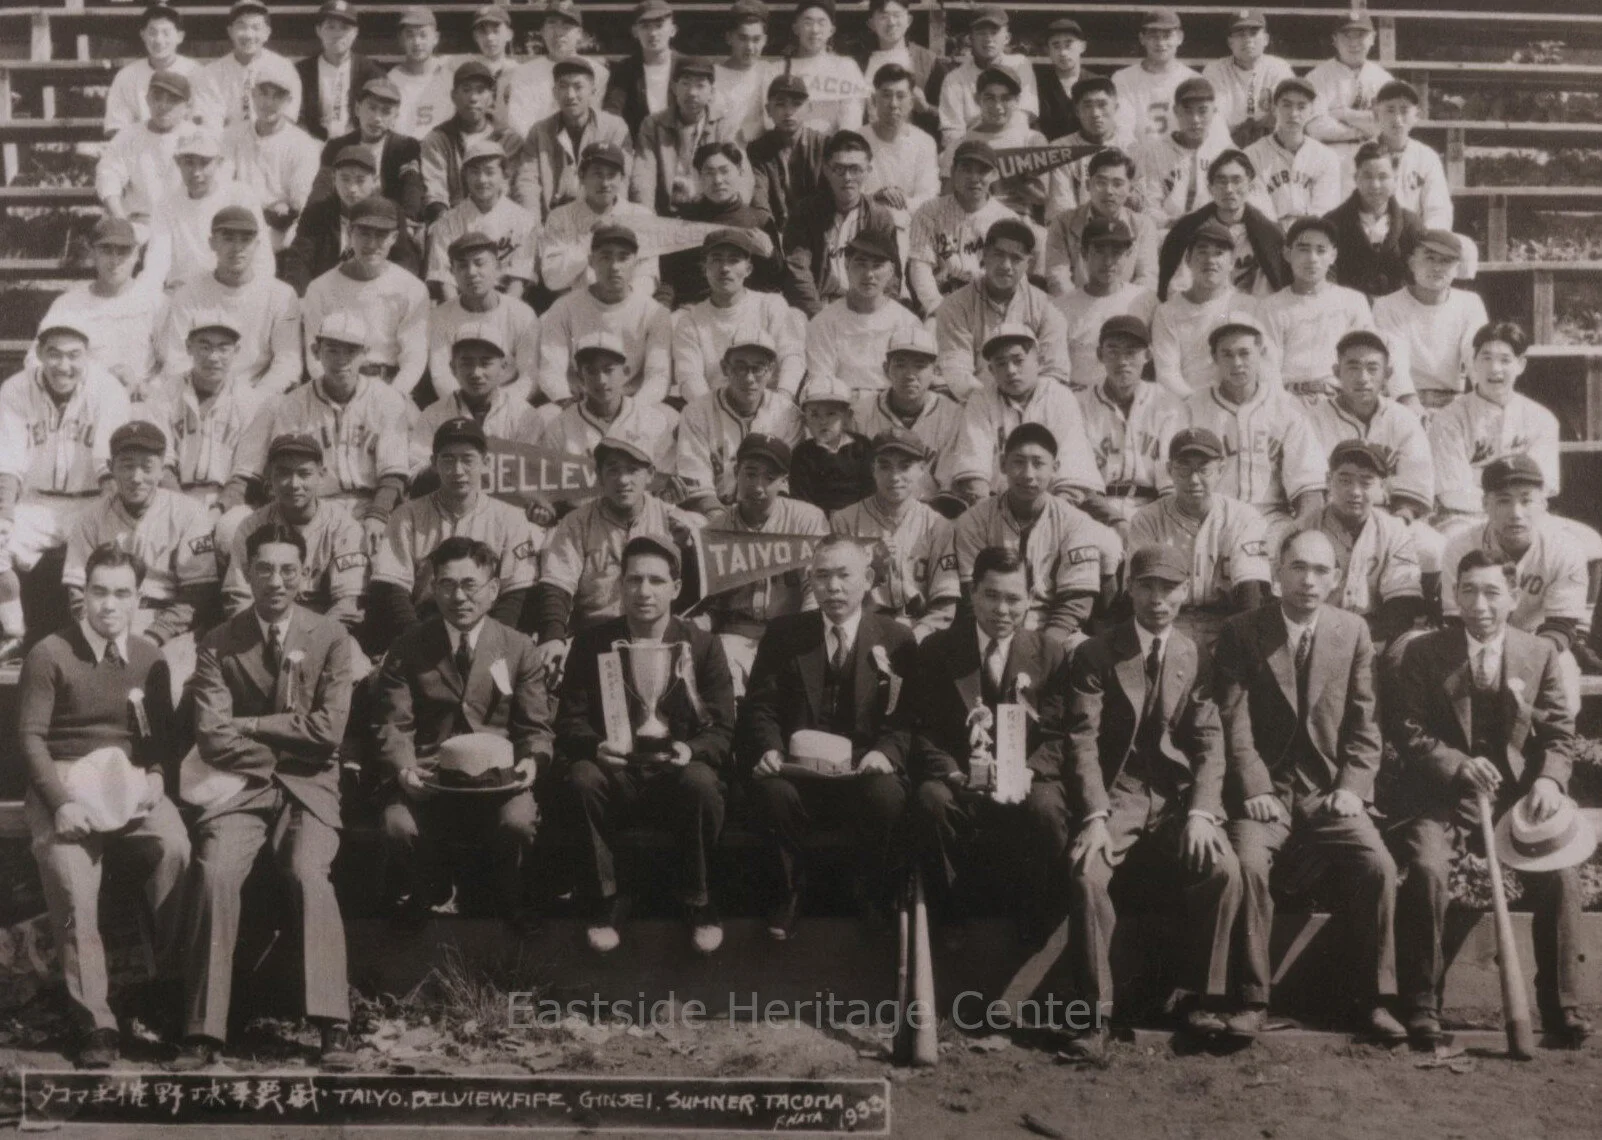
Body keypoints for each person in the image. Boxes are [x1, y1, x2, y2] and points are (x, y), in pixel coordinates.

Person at [171, 524, 357, 1071]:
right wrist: (276, 748)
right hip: (241, 786)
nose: (276, 582)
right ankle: (203, 1030)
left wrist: (252, 723)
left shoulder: (331, 637)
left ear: (306, 575)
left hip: (311, 789)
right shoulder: (219, 641)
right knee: (214, 871)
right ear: (246, 574)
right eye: (264, 570)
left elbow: (328, 732)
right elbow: (212, 736)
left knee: (307, 872)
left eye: (288, 570)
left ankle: (332, 1024)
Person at [1389, 549, 1591, 1048]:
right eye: (1469, 591)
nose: (1480, 605)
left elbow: (1559, 735)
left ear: (1514, 597)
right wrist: (1456, 763)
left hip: (1514, 802)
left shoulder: (1540, 653)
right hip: (1440, 797)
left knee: (1563, 878)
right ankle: (1421, 1006)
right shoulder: (1423, 652)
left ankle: (1561, 1008)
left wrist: (1548, 781)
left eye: (1492, 593)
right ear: (1454, 595)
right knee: (1429, 870)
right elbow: (1406, 730)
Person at [1216, 528, 1405, 1042]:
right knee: (1249, 865)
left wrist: (1354, 785)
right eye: (1298, 567)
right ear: (1277, 572)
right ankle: (1252, 1000)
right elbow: (1232, 723)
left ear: (1338, 578)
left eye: (1322, 570)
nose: (1309, 580)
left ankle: (1376, 1000)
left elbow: (1366, 724)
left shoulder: (1353, 631)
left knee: (1378, 864)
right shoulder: (1241, 631)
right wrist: (1253, 786)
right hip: (1264, 793)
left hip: (1327, 793)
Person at [1059, 543, 1241, 1055]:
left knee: (1223, 869)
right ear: (1128, 590)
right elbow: (1081, 740)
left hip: (1176, 796)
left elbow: (1208, 741)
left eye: (1170, 587)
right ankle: (1093, 1016)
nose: (1158, 599)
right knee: (1087, 872)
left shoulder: (1194, 654)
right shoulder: (1096, 652)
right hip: (1119, 793)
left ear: (1186, 593)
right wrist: (1094, 815)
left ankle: (1204, 1001)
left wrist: (1203, 811)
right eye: (1147, 586)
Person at [16, 544, 190, 1068]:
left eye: (120, 594)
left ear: (138, 600)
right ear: (81, 595)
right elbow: (29, 740)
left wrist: (158, 776)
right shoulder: (50, 653)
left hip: (128, 787)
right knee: (72, 882)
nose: (108, 605)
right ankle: (95, 1021)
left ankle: (163, 994)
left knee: (176, 848)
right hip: (64, 787)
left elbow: (160, 738)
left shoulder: (148, 657)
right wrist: (61, 803)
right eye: (98, 592)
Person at [554, 534, 736, 954]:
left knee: (702, 783)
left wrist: (692, 750)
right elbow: (570, 721)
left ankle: (698, 901)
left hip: (677, 775)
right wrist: (596, 746)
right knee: (581, 778)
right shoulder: (591, 643)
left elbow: (722, 727)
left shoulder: (704, 646)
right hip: (617, 774)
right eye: (634, 580)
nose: (644, 591)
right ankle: (605, 901)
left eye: (656, 581)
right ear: (620, 587)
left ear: (676, 588)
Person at [738, 535, 918, 940]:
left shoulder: (897, 638)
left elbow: (906, 717)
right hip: (799, 769)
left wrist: (885, 753)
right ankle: (789, 894)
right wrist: (769, 748)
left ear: (868, 578)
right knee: (771, 793)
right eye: (822, 576)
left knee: (888, 796)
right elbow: (761, 706)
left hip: (862, 770)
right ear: (810, 580)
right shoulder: (785, 633)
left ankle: (871, 894)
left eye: (843, 575)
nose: (833, 587)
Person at [372, 535, 550, 931]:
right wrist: (404, 769)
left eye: (470, 584)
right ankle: (422, 897)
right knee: (399, 826)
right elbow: (393, 723)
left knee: (519, 821)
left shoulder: (518, 648)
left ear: (493, 589)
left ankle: (507, 900)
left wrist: (531, 761)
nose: (459, 597)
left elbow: (535, 725)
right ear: (433, 588)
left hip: (497, 780)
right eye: (447, 585)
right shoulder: (408, 646)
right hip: (430, 777)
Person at [906, 545, 1071, 939]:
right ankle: (950, 918)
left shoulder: (1050, 653)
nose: (1002, 609)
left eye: (1014, 598)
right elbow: (923, 730)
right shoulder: (937, 650)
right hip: (961, 774)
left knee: (1047, 809)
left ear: (1030, 599)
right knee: (931, 801)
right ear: (972, 594)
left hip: (1027, 775)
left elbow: (1059, 734)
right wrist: (954, 772)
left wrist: (1029, 772)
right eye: (991, 595)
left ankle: (1036, 918)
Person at [0, 320, 132, 659]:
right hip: (33, 502)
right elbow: (7, 462)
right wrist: (4, 517)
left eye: (74, 355)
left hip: (89, 500)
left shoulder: (107, 389)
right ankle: (12, 627)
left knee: (113, 555)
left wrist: (110, 517)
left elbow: (109, 462)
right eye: (54, 354)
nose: (63, 365)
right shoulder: (16, 389)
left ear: (87, 356)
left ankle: (99, 647)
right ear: (39, 353)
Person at [223, 310, 410, 542]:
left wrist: (379, 515)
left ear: (365, 354)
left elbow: (394, 473)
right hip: (315, 506)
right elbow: (284, 469)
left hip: (370, 503)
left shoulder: (387, 399)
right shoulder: (294, 402)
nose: (341, 360)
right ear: (316, 352)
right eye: (332, 350)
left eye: (351, 351)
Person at [531, 438, 700, 679]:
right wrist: (553, 637)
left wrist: (688, 551)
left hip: (657, 637)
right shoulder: (577, 522)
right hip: (594, 634)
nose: (622, 480)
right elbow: (557, 584)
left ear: (650, 474)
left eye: (632, 470)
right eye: (613, 470)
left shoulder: (674, 521)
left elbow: (694, 593)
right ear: (599, 476)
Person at [1440, 457, 1589, 715]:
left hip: (1541, 643)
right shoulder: (1460, 547)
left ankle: (1554, 749)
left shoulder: (1565, 549)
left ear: (1543, 503)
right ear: (1485, 504)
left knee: (1564, 681)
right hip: (1475, 642)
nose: (1516, 513)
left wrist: (1521, 661)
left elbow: (1561, 627)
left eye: (1526, 500)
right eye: (1503, 500)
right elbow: (1456, 621)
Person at [369, 417, 541, 635]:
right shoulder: (407, 515)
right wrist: (416, 641)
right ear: (434, 462)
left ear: (486, 462)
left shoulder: (510, 518)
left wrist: (491, 642)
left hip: (490, 624)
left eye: (467, 459)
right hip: (425, 625)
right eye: (448, 460)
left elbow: (517, 591)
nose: (458, 470)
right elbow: (392, 587)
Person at [61, 421, 218, 649]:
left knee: (169, 681)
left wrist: (154, 636)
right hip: (106, 619)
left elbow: (198, 594)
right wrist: (98, 634)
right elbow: (77, 591)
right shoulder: (90, 519)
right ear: (110, 467)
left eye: (147, 467)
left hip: (168, 622)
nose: (136, 477)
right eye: (126, 466)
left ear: (163, 468)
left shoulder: (189, 512)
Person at [953, 424, 1112, 648]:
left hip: (1052, 631)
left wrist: (1040, 653)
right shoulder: (974, 521)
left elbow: (1075, 603)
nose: (1028, 474)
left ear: (1055, 467)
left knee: (1083, 650)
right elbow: (970, 596)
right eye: (1018, 462)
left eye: (1038, 463)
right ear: (1002, 464)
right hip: (989, 626)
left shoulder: (1076, 522)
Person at [1180, 318, 1325, 549]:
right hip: (1210, 516)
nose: (1237, 363)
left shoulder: (1287, 408)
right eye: (1227, 354)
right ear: (1214, 358)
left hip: (1272, 518)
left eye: (1244, 353)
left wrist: (1297, 533)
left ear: (1261, 352)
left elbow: (1310, 488)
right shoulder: (1192, 408)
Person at [700, 435, 828, 691]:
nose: (757, 486)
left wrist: (799, 638)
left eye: (770, 478)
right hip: (736, 632)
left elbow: (814, 590)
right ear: (736, 472)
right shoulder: (716, 529)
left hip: (789, 629)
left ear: (784, 482)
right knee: (726, 680)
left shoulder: (807, 520)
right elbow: (711, 604)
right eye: (750, 473)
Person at [1128, 427, 1271, 653]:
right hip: (1167, 624)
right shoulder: (1147, 519)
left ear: (1220, 470)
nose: (1193, 480)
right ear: (1169, 470)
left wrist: (1244, 650)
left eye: (1203, 470)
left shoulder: (1244, 517)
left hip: (1226, 624)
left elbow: (1250, 594)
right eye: (1183, 469)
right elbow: (1139, 592)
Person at [220, 433, 367, 629]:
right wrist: (269, 640)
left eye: (304, 474)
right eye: (283, 473)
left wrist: (308, 644)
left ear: (321, 475)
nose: (294, 484)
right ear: (270, 476)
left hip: (324, 632)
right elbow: (239, 599)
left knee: (359, 661)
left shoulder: (343, 526)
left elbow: (347, 605)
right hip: (263, 631)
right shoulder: (251, 526)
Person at [947, 324, 1105, 504]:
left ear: (1038, 361)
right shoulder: (981, 400)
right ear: (991, 371)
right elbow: (973, 465)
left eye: (1018, 360)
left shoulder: (1059, 396)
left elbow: (1073, 464)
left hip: (1054, 502)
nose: (1010, 370)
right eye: (1001, 363)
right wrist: (991, 516)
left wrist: (1051, 515)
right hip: (997, 503)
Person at [155, 206, 301, 395]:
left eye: (245, 239)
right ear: (212, 243)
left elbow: (288, 362)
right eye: (228, 238)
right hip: (201, 395)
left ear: (257, 244)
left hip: (257, 397)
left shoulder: (281, 294)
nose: (237, 248)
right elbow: (176, 360)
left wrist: (253, 400)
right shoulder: (188, 293)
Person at [831, 428, 959, 638]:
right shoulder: (844, 520)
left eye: (905, 466)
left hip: (922, 630)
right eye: (885, 466)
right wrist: (872, 570)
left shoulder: (938, 525)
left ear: (921, 469)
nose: (895, 477)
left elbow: (945, 605)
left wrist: (916, 637)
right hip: (862, 629)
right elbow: (837, 596)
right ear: (872, 469)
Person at [299, 197, 430, 399]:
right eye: (364, 233)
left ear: (394, 237)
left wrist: (393, 397)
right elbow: (315, 359)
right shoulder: (320, 288)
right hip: (335, 390)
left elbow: (414, 356)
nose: (371, 244)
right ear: (350, 233)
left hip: (390, 388)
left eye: (381, 235)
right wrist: (340, 395)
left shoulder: (412, 288)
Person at [1431, 322, 1560, 523]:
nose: (1494, 368)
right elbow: (1452, 492)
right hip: (1464, 518)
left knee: (1588, 544)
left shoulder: (1541, 418)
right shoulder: (1449, 419)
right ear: (1473, 362)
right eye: (1486, 358)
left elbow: (1544, 484)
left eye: (1505, 360)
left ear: (1521, 365)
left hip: (1527, 519)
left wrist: (1477, 477)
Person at [537, 226, 672, 408]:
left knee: (666, 420)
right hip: (576, 401)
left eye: (623, 257)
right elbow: (551, 370)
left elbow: (658, 377)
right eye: (605, 257)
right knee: (545, 416)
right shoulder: (564, 307)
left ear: (636, 262)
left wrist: (631, 412)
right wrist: (567, 402)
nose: (615, 267)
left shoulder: (654, 312)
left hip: (632, 403)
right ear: (591, 261)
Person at [1305, 331, 1433, 521]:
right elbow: (1312, 490)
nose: (1363, 378)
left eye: (1372, 368)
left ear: (1387, 374)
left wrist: (1396, 525)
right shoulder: (1314, 420)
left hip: (1393, 517)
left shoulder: (1404, 419)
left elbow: (1415, 487)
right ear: (1336, 372)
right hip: (1334, 517)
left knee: (1433, 549)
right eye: (1353, 367)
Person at [935, 220, 1069, 400]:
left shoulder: (1046, 307)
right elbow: (957, 373)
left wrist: (1026, 404)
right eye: (998, 254)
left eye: (1016, 258)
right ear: (984, 255)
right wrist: (996, 405)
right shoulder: (955, 305)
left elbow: (1054, 371)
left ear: (1028, 263)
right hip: (976, 404)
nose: (1006, 265)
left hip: (1035, 405)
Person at [36, 217, 163, 403]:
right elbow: (37, 360)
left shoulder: (156, 302)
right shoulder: (68, 304)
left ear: (137, 254)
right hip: (85, 402)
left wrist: (148, 386)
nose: (115, 260)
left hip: (143, 403)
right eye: (106, 250)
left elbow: (175, 362)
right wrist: (93, 380)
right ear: (93, 253)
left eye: (123, 251)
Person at [151, 311, 268, 509]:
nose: (213, 357)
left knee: (231, 531)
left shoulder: (251, 401)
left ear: (236, 350)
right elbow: (162, 465)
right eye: (204, 347)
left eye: (223, 348)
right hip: (172, 499)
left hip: (229, 503)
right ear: (189, 347)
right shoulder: (165, 395)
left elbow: (245, 475)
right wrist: (182, 511)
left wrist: (218, 511)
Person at [1255, 216, 1382, 399]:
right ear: (1287, 254)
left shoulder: (1352, 301)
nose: (1312, 259)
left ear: (1333, 256)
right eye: (1303, 249)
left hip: (1341, 399)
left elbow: (1364, 356)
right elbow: (1268, 369)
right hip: (1289, 399)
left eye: (1321, 250)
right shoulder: (1271, 307)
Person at [674, 334, 804, 513]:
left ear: (771, 370)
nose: (749, 378)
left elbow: (784, 483)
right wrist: (722, 522)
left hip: (769, 513)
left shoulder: (788, 414)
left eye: (758, 368)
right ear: (725, 368)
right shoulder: (697, 411)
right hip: (712, 513)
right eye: (740, 367)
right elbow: (696, 483)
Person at [1315, 440, 1427, 646]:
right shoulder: (1302, 530)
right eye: (1345, 480)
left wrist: (1361, 644)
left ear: (1382, 487)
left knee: (1414, 643)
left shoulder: (1394, 530)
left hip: (1374, 636)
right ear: (1328, 480)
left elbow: (1402, 606)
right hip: (1316, 635)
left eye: (1366, 482)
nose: (1355, 491)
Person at [1075, 315, 1180, 534]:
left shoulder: (1167, 404)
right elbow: (1079, 481)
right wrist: (1116, 522)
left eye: (1131, 351)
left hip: (1153, 511)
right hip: (1095, 512)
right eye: (1113, 351)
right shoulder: (1080, 404)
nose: (1122, 361)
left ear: (1148, 355)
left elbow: (1170, 484)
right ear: (1099, 354)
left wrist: (1152, 525)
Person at [671, 229, 800, 403]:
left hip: (772, 405)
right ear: (704, 269)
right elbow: (690, 378)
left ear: (748, 269)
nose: (724, 269)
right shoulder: (690, 321)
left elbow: (792, 357)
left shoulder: (771, 305)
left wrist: (782, 400)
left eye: (734, 260)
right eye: (716, 260)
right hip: (714, 409)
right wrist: (715, 415)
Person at [781, 130, 900, 319]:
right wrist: (819, 317)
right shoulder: (805, 214)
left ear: (868, 171)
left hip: (866, 309)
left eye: (855, 169)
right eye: (839, 169)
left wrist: (877, 313)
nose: (847, 177)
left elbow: (891, 278)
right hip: (819, 307)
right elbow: (797, 270)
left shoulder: (880, 217)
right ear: (826, 170)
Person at [143, 126, 275, 292]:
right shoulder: (165, 205)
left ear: (219, 162)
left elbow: (262, 258)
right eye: (189, 163)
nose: (197, 173)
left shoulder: (240, 195)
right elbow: (156, 262)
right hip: (184, 293)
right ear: (178, 163)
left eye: (205, 163)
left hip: (234, 289)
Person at [537, 332, 678, 480]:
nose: (601, 380)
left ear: (625, 372)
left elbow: (663, 479)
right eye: (591, 371)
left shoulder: (653, 421)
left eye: (608, 370)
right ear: (580, 377)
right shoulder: (560, 426)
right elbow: (550, 484)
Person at [1372, 231, 1488, 410]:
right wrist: (1409, 403)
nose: (1437, 268)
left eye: (1446, 261)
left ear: (1457, 268)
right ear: (1412, 263)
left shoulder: (1470, 304)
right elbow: (1395, 360)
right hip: (1400, 401)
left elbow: (1474, 352)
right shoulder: (1387, 306)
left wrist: (1485, 396)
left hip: (1453, 400)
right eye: (1430, 258)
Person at [805, 230, 924, 402]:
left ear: (891, 271)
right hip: (842, 409)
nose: (869, 274)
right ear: (846, 265)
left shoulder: (908, 323)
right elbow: (821, 383)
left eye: (877, 266)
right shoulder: (824, 322)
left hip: (893, 411)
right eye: (861, 264)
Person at [282, 149, 424, 291]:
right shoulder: (318, 211)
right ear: (334, 179)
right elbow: (299, 259)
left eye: (360, 180)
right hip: (327, 292)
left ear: (374, 181)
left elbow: (405, 261)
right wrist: (301, 297)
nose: (352, 188)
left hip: (375, 291)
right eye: (345, 179)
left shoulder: (390, 211)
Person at [661, 143, 783, 307]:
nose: (718, 180)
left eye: (725, 171)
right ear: (698, 176)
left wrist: (770, 255)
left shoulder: (759, 220)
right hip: (693, 310)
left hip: (744, 311)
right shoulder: (683, 221)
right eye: (709, 173)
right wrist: (662, 311)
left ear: (740, 172)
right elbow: (668, 279)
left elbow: (777, 279)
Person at [906, 140, 1018, 318]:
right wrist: (937, 307)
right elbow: (920, 267)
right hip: (942, 300)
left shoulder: (1008, 219)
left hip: (991, 305)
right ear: (952, 172)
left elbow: (1010, 277)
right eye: (966, 169)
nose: (974, 178)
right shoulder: (929, 211)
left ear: (995, 175)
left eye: (982, 171)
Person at [1156, 152, 1286, 303]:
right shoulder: (1188, 229)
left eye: (1237, 180)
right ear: (1210, 188)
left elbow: (1271, 291)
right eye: (1221, 181)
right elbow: (1177, 286)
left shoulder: (1269, 234)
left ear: (1250, 186)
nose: (1229, 189)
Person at [427, 232, 541, 403]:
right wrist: (466, 407)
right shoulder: (440, 316)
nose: (472, 272)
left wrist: (498, 406)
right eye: (462, 266)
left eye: (479, 263)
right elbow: (441, 375)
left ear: (497, 266)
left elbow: (530, 377)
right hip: (458, 403)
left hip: (511, 402)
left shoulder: (522, 313)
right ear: (453, 272)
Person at [514, 59, 634, 222]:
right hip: (553, 218)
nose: (570, 95)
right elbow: (527, 183)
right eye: (563, 87)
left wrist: (609, 223)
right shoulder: (539, 131)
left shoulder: (614, 128)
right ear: (554, 92)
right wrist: (533, 225)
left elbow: (621, 182)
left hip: (600, 217)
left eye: (578, 87)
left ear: (593, 90)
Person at [851, 327, 962, 499]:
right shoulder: (861, 413)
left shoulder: (953, 414)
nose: (910, 375)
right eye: (900, 365)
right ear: (886, 369)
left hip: (933, 511)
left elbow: (949, 486)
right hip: (875, 511)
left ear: (936, 371)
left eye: (920, 365)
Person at [536, 143, 660, 299]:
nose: (605, 183)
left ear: (622, 178)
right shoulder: (560, 217)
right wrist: (589, 240)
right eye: (597, 174)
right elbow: (552, 279)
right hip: (578, 308)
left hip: (629, 307)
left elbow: (648, 277)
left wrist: (620, 302)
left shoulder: (641, 216)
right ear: (581, 176)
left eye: (612, 175)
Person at [414, 321, 543, 471]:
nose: (476, 373)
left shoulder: (523, 416)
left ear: (503, 367)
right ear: (453, 368)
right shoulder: (433, 415)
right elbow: (416, 468)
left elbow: (531, 473)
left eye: (485, 362)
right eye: (467, 363)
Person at [223, 57, 319, 257]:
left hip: (279, 231)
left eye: (277, 96)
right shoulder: (231, 135)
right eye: (263, 94)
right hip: (237, 224)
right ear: (252, 95)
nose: (268, 103)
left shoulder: (303, 144)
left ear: (289, 101)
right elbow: (222, 186)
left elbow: (300, 201)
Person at [424, 139, 537, 304]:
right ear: (465, 177)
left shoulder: (523, 219)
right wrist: (461, 313)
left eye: (490, 172)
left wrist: (501, 315)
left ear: (504, 175)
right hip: (460, 301)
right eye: (475, 172)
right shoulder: (448, 221)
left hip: (507, 301)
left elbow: (518, 280)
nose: (482, 180)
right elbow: (443, 278)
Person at [1151, 219, 1256, 396]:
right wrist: (1201, 407)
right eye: (1202, 252)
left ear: (1231, 262)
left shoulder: (1248, 306)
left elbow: (1261, 366)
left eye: (1219, 253)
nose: (1210, 260)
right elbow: (1167, 375)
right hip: (1186, 406)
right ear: (1188, 260)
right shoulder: (1167, 312)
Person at [1056, 218, 1160, 390]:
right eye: (1099, 252)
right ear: (1083, 253)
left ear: (1128, 254)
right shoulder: (1061, 308)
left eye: (1116, 252)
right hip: (1081, 400)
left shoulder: (1145, 300)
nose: (1108, 261)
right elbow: (1057, 373)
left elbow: (1155, 361)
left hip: (1133, 399)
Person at [420, 60, 526, 224]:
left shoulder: (508, 139)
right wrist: (446, 224)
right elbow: (435, 190)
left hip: (500, 221)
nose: (473, 98)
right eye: (466, 90)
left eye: (481, 90)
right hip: (452, 221)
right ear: (453, 96)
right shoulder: (438, 139)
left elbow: (509, 188)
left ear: (491, 96)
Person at [632, 59, 740, 218]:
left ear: (712, 92)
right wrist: (646, 215)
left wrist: (730, 214)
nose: (692, 92)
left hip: (711, 213)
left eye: (700, 86)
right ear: (674, 88)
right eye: (685, 84)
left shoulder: (724, 125)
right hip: (664, 213)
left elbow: (737, 173)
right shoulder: (653, 125)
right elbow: (643, 175)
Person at [310, 77, 426, 223]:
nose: (377, 118)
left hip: (389, 220)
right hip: (345, 219)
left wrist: (407, 219)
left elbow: (412, 187)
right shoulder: (336, 147)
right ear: (358, 109)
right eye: (372, 108)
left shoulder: (405, 147)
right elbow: (322, 186)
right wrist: (312, 216)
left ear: (395, 116)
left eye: (386, 111)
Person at [95, 71, 194, 242]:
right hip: (140, 224)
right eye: (157, 97)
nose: (163, 105)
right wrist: (121, 221)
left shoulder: (196, 137)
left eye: (173, 100)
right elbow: (108, 175)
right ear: (147, 100)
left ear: (187, 106)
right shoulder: (128, 136)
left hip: (186, 225)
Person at [1045, 150, 1160, 296]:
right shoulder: (1062, 223)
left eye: (1117, 184)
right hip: (1075, 308)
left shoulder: (1143, 226)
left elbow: (1147, 278)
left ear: (1130, 189)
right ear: (1087, 185)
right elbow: (1057, 277)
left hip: (1125, 309)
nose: (1109, 191)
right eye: (1101, 183)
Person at [946, 65, 1049, 220]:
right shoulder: (961, 144)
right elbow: (947, 195)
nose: (997, 106)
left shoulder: (1032, 140)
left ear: (1017, 100)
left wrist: (1015, 177)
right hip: (969, 220)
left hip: (1016, 220)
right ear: (977, 99)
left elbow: (1041, 197)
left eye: (1006, 98)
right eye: (989, 98)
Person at [1325, 142, 1426, 300]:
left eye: (1383, 176)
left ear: (1395, 179)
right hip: (1350, 313)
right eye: (1367, 176)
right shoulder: (1333, 223)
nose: (1375, 185)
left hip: (1399, 314)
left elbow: (1420, 277)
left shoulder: (1411, 224)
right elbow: (1327, 279)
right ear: (1356, 178)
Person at [497, 0, 610, 142]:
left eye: (567, 25)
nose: (558, 32)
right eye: (552, 24)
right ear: (542, 31)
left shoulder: (598, 72)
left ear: (579, 34)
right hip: (534, 147)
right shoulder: (523, 73)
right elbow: (518, 121)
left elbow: (595, 121)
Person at [1132, 77, 1231, 228]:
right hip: (1168, 232)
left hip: (1215, 232)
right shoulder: (1155, 152)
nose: (1195, 120)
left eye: (1203, 111)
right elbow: (1148, 206)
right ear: (1176, 111)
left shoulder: (1225, 153)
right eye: (1188, 111)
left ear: (1214, 111)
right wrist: (1171, 223)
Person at [938, 7, 1036, 153]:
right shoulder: (954, 78)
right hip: (972, 154)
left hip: (1013, 150)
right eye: (981, 33)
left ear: (1007, 38)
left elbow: (1022, 118)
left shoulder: (1020, 64)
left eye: (994, 32)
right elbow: (952, 132)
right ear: (970, 39)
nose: (988, 39)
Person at [1242, 77, 1341, 220]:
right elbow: (1259, 212)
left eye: (1302, 106)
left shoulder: (1327, 157)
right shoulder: (1252, 155)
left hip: (1312, 234)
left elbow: (1325, 209)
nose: (1293, 114)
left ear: (1312, 110)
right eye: (1286, 105)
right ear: (1275, 109)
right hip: (1269, 236)